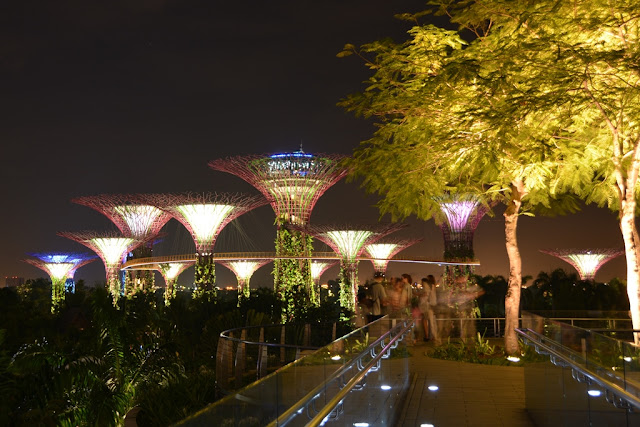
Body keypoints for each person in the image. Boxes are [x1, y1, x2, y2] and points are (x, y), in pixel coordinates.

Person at [420, 275, 439, 343]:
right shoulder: (433, 287)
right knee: (432, 322)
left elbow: (426, 295)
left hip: (428, 306)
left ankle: (430, 336)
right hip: (432, 305)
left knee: (429, 321)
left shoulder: (429, 287)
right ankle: (433, 336)